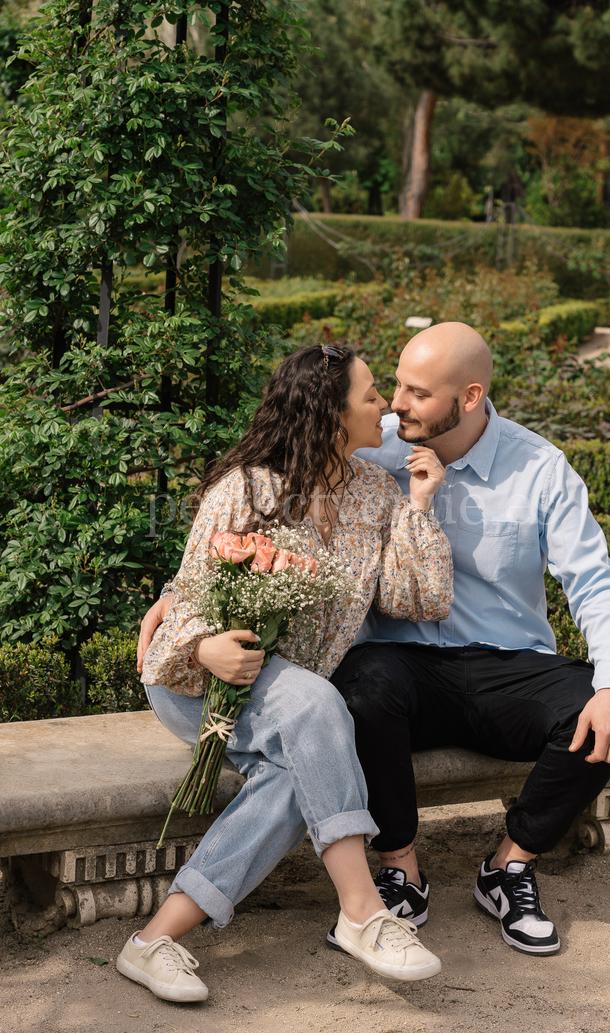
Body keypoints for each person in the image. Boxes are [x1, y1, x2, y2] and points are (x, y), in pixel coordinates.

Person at [141, 322, 610, 962]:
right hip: (388, 675)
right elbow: (224, 538)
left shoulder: (533, 470)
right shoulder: (366, 458)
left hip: (501, 667)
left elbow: (591, 581)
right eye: (386, 389)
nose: (395, 404)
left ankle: (509, 868)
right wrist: (187, 611)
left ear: (468, 398)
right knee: (351, 692)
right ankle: (394, 877)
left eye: (412, 392)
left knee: (598, 706)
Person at [118, 343, 454, 1003]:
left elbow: (423, 598)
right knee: (319, 705)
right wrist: (207, 646)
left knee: (294, 767)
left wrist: (420, 505)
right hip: (198, 683)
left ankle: (154, 938)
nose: (383, 404)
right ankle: (362, 909)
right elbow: (185, 604)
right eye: (370, 395)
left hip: (290, 698)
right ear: (331, 415)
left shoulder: (374, 493)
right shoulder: (245, 488)